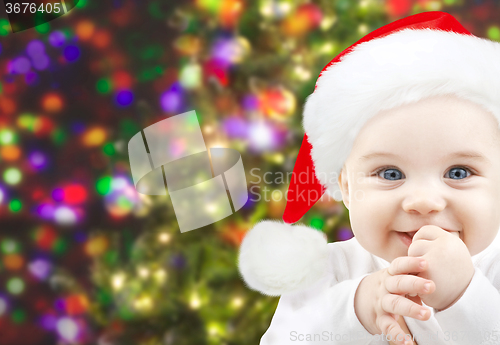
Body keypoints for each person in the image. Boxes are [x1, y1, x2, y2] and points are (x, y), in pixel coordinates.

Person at [237, 11, 500, 345]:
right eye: (391, 173)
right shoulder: (329, 271)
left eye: (459, 172)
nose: (423, 201)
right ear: (347, 186)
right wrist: (358, 308)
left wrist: (462, 296)